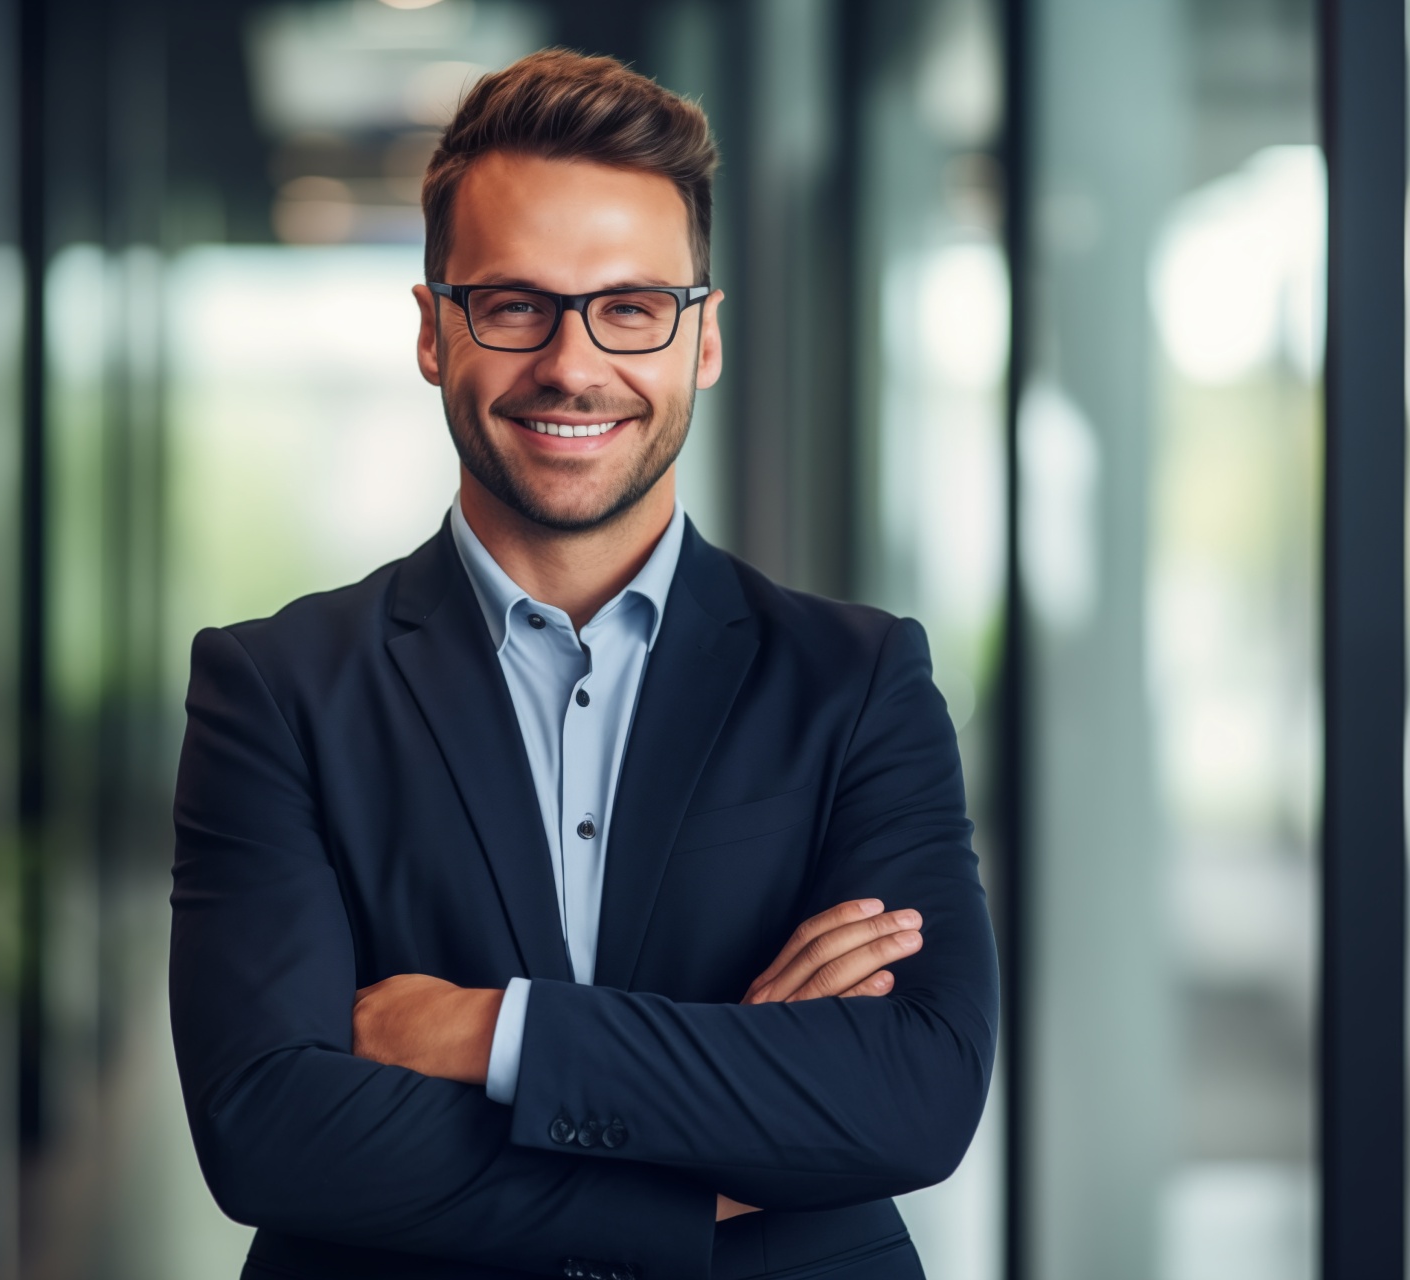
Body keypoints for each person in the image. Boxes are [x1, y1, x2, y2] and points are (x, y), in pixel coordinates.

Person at [169, 48, 998, 1280]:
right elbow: (270, 1131)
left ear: (702, 337)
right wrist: (717, 1135)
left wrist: (491, 1030)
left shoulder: (857, 680)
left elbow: (915, 1091)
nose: (572, 363)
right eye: (513, 304)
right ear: (433, 332)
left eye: (630, 306)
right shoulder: (276, 688)